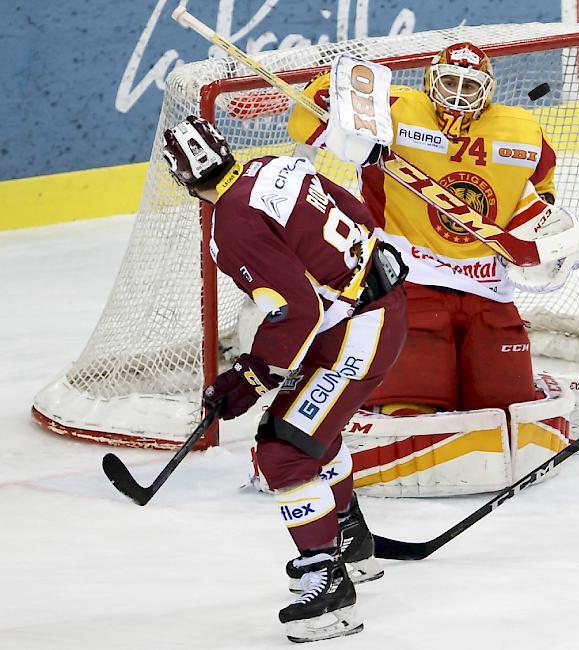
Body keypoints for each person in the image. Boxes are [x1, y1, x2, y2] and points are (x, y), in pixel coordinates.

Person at [162, 115, 408, 643]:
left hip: (360, 328)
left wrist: (251, 375)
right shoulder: (270, 167)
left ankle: (330, 587)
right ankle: (349, 541)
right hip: (366, 308)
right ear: (226, 151)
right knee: (313, 431)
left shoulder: (229, 226)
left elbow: (294, 311)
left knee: (283, 449)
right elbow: (355, 209)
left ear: (183, 179)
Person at [288, 42, 577, 418]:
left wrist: (545, 228)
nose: (458, 94)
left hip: (489, 292)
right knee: (409, 408)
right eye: (449, 82)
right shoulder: (393, 110)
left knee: (507, 408)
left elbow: (541, 191)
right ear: (430, 80)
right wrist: (331, 90)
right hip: (409, 285)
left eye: (469, 85)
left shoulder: (523, 131)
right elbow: (306, 121)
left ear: (487, 90)